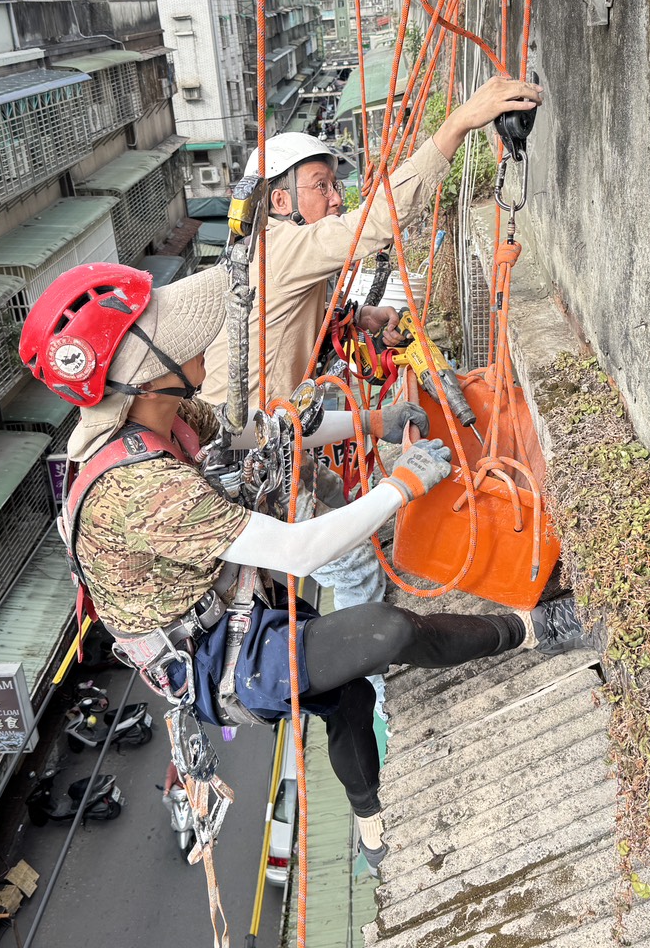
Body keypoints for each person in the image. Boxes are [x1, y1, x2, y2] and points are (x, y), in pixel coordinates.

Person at [20, 262, 590, 870]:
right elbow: (298, 551)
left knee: (345, 694)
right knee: (385, 631)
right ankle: (532, 630)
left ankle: (370, 823)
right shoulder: (138, 490)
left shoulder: (172, 419)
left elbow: (268, 436)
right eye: (175, 339)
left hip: (229, 603)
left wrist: (374, 421)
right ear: (139, 379)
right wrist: (401, 486)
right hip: (210, 658)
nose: (199, 343)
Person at [199, 74, 544, 610]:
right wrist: (458, 124)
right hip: (250, 453)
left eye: (335, 185)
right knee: (354, 567)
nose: (337, 198)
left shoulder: (271, 253)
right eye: (322, 186)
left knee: (337, 500)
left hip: (271, 438)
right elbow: (376, 221)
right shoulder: (279, 245)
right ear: (281, 199)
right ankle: (374, 654)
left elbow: (297, 313)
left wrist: (362, 317)